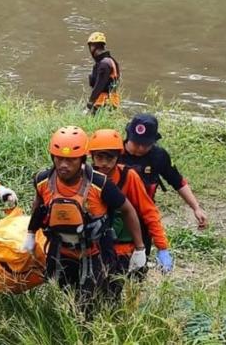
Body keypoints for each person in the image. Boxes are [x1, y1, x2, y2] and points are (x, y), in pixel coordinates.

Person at [23, 126, 146, 312]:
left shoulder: (100, 184)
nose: (64, 164)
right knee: (62, 301)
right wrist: (31, 234)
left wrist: (139, 249)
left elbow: (128, 210)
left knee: (88, 306)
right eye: (59, 158)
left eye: (71, 160)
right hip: (60, 252)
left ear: (81, 159)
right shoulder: (42, 181)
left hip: (94, 253)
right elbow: (38, 206)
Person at [88, 129, 173, 299]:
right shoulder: (87, 178)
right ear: (92, 157)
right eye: (99, 157)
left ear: (118, 156)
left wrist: (162, 247)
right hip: (94, 248)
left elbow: (148, 211)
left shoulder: (129, 177)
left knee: (121, 293)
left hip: (124, 248)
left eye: (109, 158)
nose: (104, 163)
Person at [120, 113, 208, 254]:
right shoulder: (113, 153)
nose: (139, 148)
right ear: (128, 136)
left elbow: (178, 181)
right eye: (136, 143)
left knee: (141, 255)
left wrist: (196, 207)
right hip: (115, 213)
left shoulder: (159, 156)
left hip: (144, 215)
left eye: (145, 145)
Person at [85, 32, 121, 115]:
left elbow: (99, 85)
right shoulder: (110, 60)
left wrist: (90, 104)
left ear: (93, 46)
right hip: (109, 101)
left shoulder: (104, 64)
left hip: (103, 103)